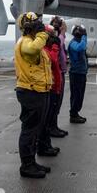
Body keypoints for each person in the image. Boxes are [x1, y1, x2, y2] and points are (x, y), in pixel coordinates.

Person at [14, 12, 52, 179]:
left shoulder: (34, 41)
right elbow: (32, 49)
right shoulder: (26, 42)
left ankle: (32, 162)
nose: (39, 26)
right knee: (29, 130)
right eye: (36, 24)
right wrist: (42, 33)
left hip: (39, 90)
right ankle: (26, 165)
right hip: (30, 91)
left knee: (35, 129)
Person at [35, 25, 62, 157]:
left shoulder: (48, 47)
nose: (52, 37)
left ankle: (46, 145)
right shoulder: (44, 49)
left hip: (54, 86)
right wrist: (55, 47)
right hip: (49, 87)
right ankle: (42, 147)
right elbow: (52, 60)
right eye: (50, 34)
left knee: (50, 117)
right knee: (45, 120)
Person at [48, 16, 69, 137]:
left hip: (59, 72)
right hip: (58, 74)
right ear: (61, 27)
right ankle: (52, 127)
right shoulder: (58, 39)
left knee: (57, 102)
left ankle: (54, 126)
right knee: (56, 102)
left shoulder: (58, 38)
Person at [68, 24, 88, 124]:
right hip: (76, 74)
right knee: (76, 95)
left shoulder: (79, 42)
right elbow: (81, 48)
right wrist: (85, 36)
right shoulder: (73, 43)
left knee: (80, 95)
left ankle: (76, 113)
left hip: (81, 73)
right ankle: (73, 115)